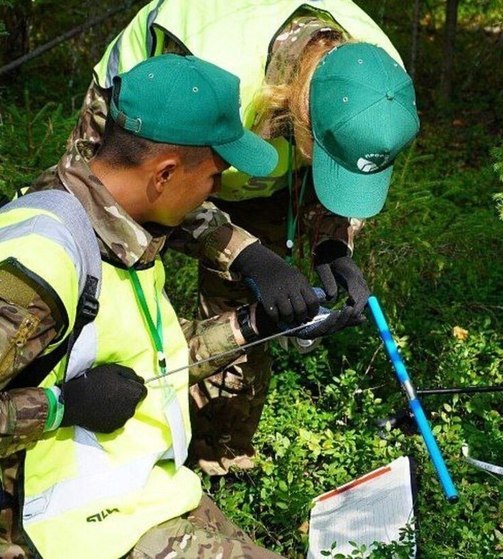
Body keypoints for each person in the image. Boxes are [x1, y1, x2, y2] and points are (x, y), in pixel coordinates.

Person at [69, 0, 421, 475]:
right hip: (143, 122)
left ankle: (218, 454)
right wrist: (246, 252)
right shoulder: (210, 69)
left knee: (252, 306)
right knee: (110, 286)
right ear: (300, 116)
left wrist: (333, 240)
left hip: (250, 132)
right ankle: (91, 435)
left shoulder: (380, 83)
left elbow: (344, 158)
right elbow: (170, 187)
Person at [0, 53, 293, 559]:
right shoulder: (43, 259)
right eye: (215, 176)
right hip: (65, 531)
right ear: (165, 173)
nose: (217, 193)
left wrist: (252, 325)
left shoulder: (122, 234)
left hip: (143, 494)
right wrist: (57, 408)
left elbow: (148, 363)